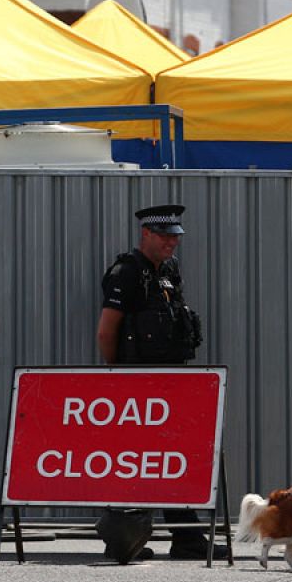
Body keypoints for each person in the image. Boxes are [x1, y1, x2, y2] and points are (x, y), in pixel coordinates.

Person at [93, 203, 218, 562]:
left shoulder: (169, 270)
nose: (172, 243)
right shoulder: (127, 272)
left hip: (172, 380)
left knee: (172, 458)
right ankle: (124, 539)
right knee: (138, 461)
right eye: (164, 236)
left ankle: (188, 540)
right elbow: (107, 330)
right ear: (145, 234)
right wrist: (119, 376)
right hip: (139, 382)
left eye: (175, 237)